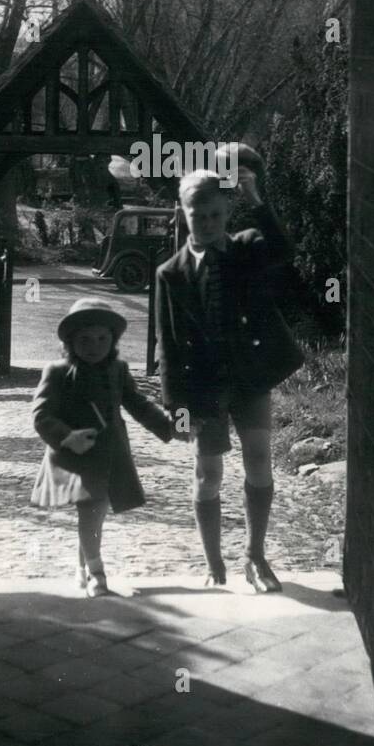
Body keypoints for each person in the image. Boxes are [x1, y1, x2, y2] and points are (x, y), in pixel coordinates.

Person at [155, 160, 305, 593]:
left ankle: (255, 556)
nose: (206, 224)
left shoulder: (246, 249)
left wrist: (256, 198)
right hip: (203, 387)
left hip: (250, 377)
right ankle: (213, 561)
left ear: (227, 213)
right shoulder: (170, 273)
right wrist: (177, 407)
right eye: (196, 216)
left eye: (216, 215)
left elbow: (283, 249)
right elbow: (167, 344)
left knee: (259, 461)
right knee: (208, 474)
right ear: (182, 213)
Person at [30, 297, 175, 596]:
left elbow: (138, 404)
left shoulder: (118, 370)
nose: (94, 346)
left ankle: (82, 566)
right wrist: (67, 436)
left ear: (113, 340)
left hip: (111, 454)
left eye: (101, 338)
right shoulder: (57, 372)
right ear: (70, 342)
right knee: (92, 509)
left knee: (95, 514)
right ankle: (97, 574)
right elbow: (41, 415)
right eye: (84, 339)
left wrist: (171, 427)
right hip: (76, 456)